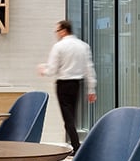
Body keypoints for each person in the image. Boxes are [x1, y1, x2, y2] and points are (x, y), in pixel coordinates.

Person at [38, 19, 97, 152]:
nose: (56, 33)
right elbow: (89, 68)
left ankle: (77, 147)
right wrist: (91, 89)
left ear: (64, 31)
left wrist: (43, 70)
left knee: (68, 117)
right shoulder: (83, 46)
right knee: (72, 115)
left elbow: (52, 70)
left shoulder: (59, 47)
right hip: (77, 84)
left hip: (63, 85)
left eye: (57, 31)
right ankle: (76, 145)